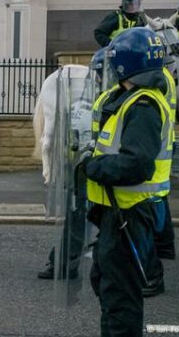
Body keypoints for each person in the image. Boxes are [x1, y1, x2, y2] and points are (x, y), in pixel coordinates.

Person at [81, 27, 172, 336]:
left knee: (121, 298)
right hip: (116, 212)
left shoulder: (143, 106)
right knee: (106, 284)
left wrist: (93, 166)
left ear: (124, 65)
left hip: (130, 215)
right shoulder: (129, 98)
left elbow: (136, 165)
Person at [37, 48, 108, 281]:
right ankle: (65, 260)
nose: (95, 79)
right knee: (80, 216)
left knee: (79, 216)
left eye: (99, 73)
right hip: (86, 167)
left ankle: (67, 263)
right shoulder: (100, 98)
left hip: (94, 168)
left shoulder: (106, 100)